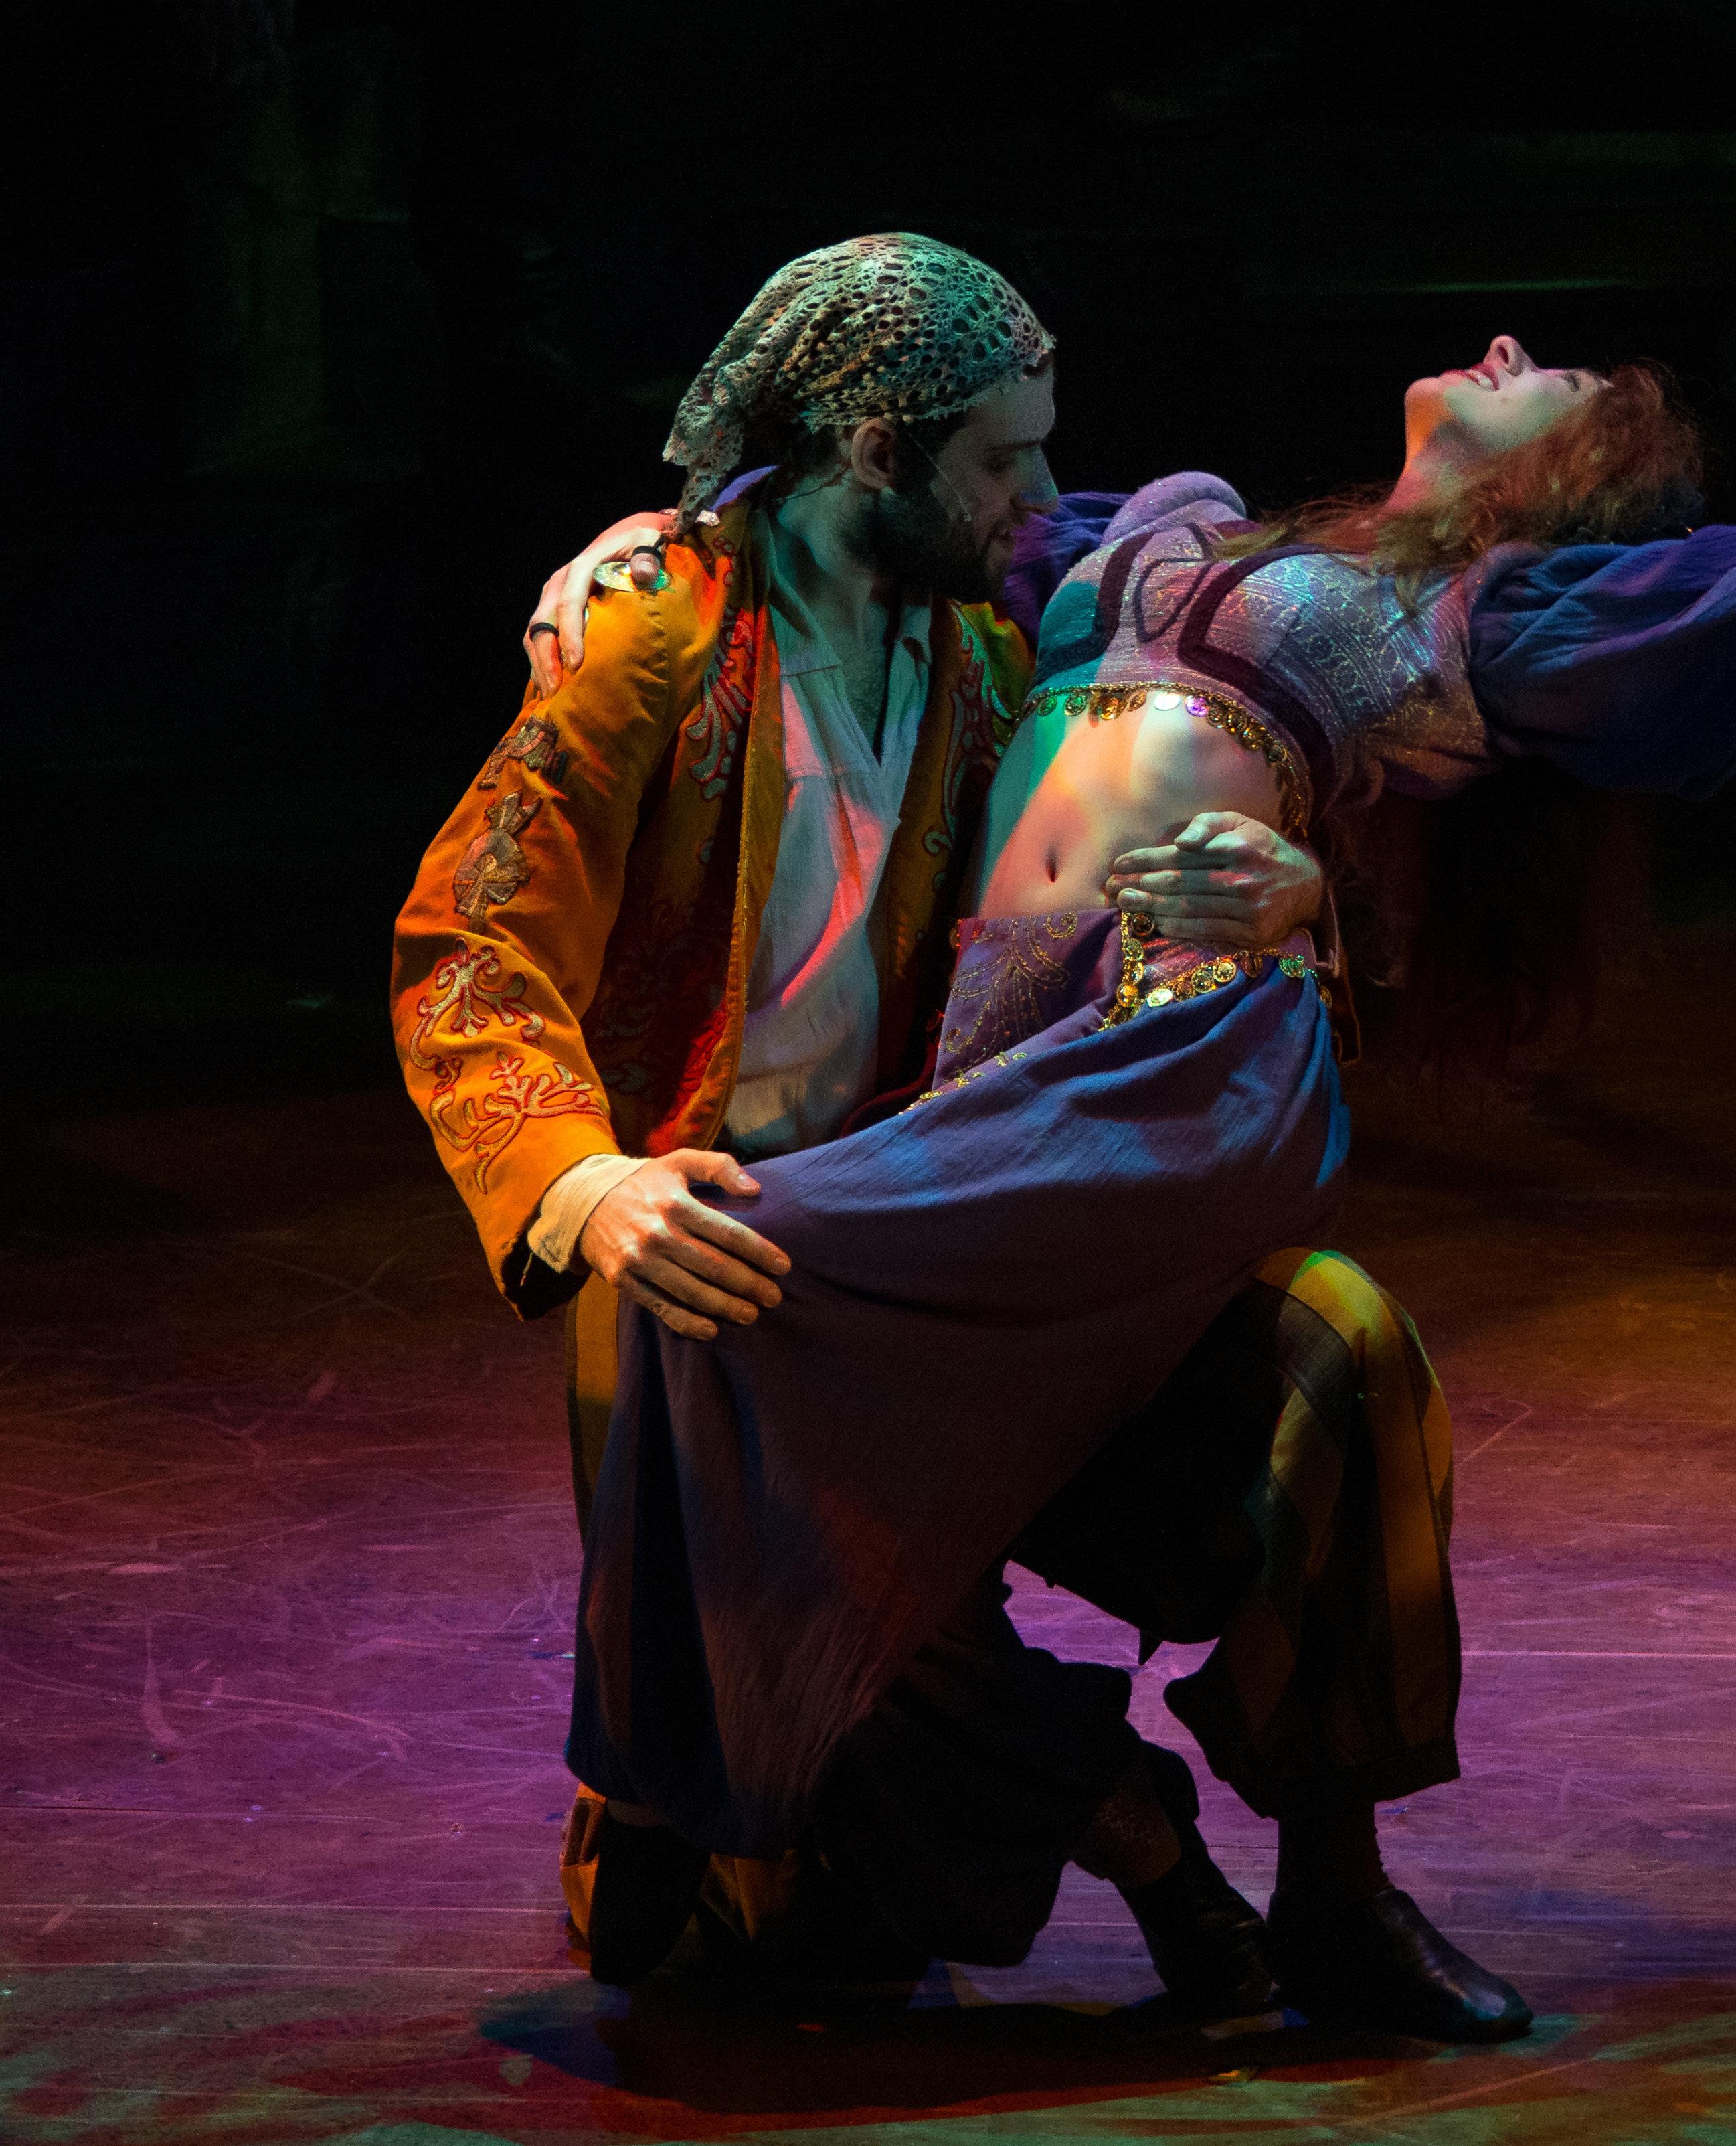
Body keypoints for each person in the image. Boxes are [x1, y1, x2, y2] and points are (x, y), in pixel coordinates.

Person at [545, 333, 1734, 2036]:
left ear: (1578, 483)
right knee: (715, 1302)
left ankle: (1335, 1891)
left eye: (1552, 374)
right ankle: (1079, 1809)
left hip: (1174, 1054)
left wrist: (1313, 894)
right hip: (988, 1068)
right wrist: (663, 547)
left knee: (1297, 1344)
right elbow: (882, 504)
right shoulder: (1173, 531)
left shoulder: (1502, 619)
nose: (1504, 348)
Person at [392, 232, 1331, 2015]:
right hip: (692, 1220)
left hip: (888, 1215)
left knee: (826, 1858)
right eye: (1003, 458)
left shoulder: (976, 649)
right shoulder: (653, 636)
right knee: (763, 1891)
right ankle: (1130, 1822)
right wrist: (584, 1184)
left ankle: (693, 1778)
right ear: (874, 450)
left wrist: (1285, 890)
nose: (1040, 496)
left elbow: (1173, 599)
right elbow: (473, 943)